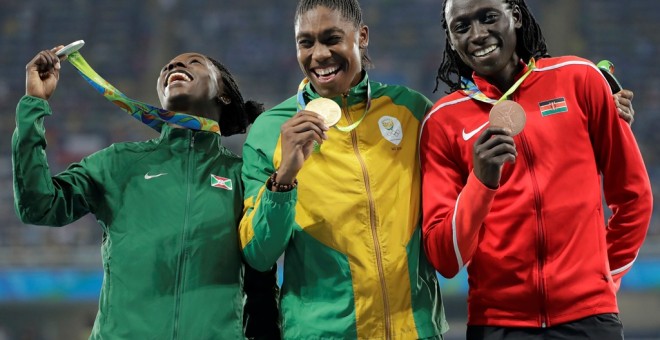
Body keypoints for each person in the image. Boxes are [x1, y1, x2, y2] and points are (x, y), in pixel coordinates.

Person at [420, 0, 653, 339]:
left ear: (514, 15)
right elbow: (445, 258)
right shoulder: (442, 122)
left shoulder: (579, 79)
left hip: (590, 320)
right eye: (462, 27)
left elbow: (634, 197)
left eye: (488, 17)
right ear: (451, 40)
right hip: (498, 325)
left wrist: (601, 279)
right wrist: (480, 183)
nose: (478, 34)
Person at [13, 47, 280, 339]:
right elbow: (38, 205)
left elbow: (261, 285)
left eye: (194, 62)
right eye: (168, 65)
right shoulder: (119, 162)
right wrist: (33, 104)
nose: (176, 64)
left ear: (224, 94)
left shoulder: (243, 176)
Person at [238, 0, 448, 339]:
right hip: (323, 332)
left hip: (415, 329)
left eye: (331, 38)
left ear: (362, 36)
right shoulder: (271, 129)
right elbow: (259, 254)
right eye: (305, 42)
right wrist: (285, 178)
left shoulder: (412, 111)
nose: (318, 54)